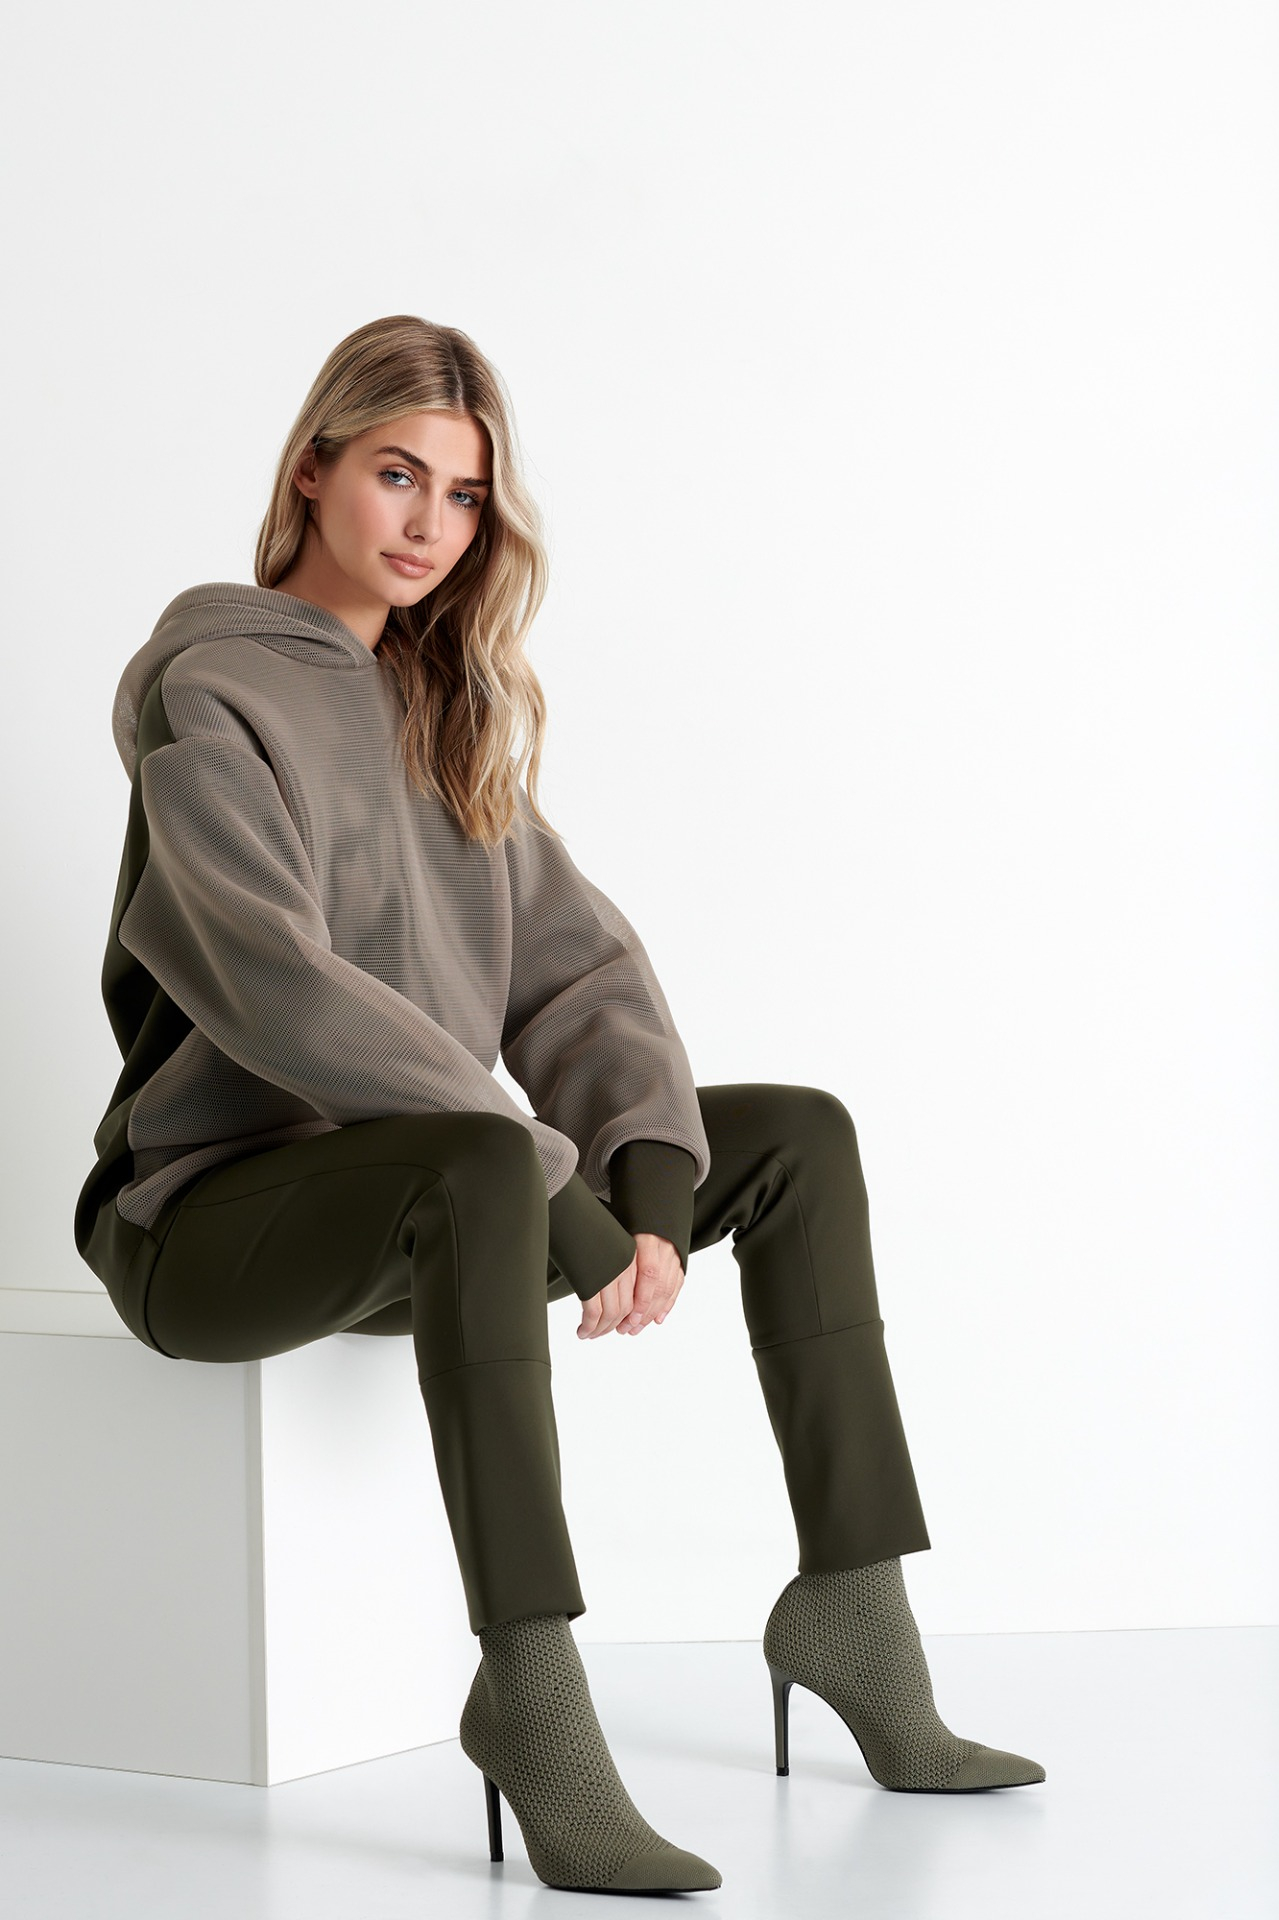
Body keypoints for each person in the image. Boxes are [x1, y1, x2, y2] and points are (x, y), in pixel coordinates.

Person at [73, 313, 1044, 1896]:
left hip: (428, 1205)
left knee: (795, 1134)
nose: (428, 525)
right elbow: (274, 982)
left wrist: (643, 1187)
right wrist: (559, 1200)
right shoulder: (210, 689)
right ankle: (529, 1695)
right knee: (476, 1160)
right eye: (397, 475)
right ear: (313, 470)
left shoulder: (442, 707)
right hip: (208, 1223)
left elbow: (578, 975)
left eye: (463, 496)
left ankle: (855, 1616)